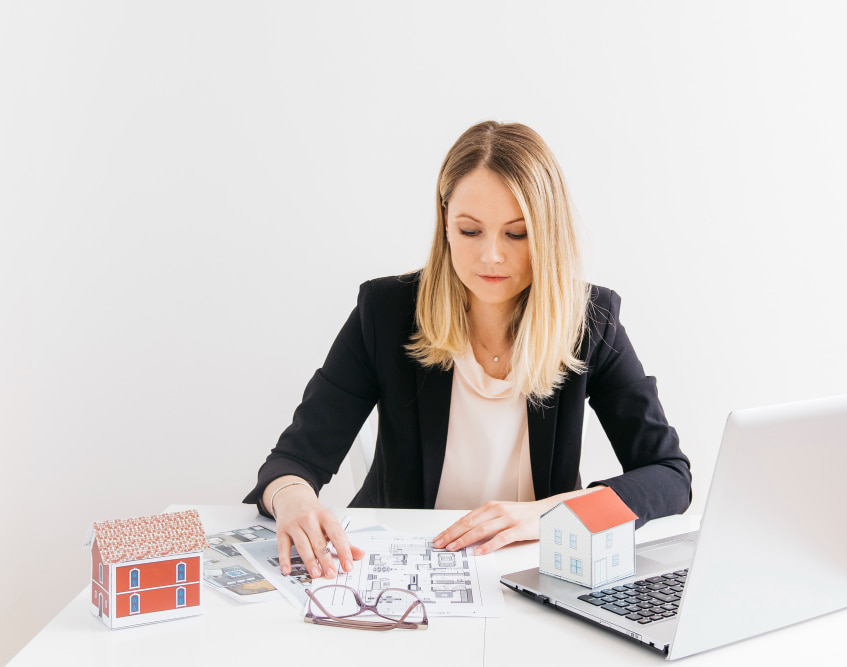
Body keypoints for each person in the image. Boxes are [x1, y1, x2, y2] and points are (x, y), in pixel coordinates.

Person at [244, 121, 691, 580]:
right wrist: (293, 497)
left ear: (546, 234)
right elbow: (292, 462)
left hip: (534, 570)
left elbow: (669, 475)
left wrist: (548, 514)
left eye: (516, 235)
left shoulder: (590, 318)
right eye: (471, 230)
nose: (491, 256)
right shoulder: (386, 310)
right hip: (398, 569)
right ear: (444, 222)